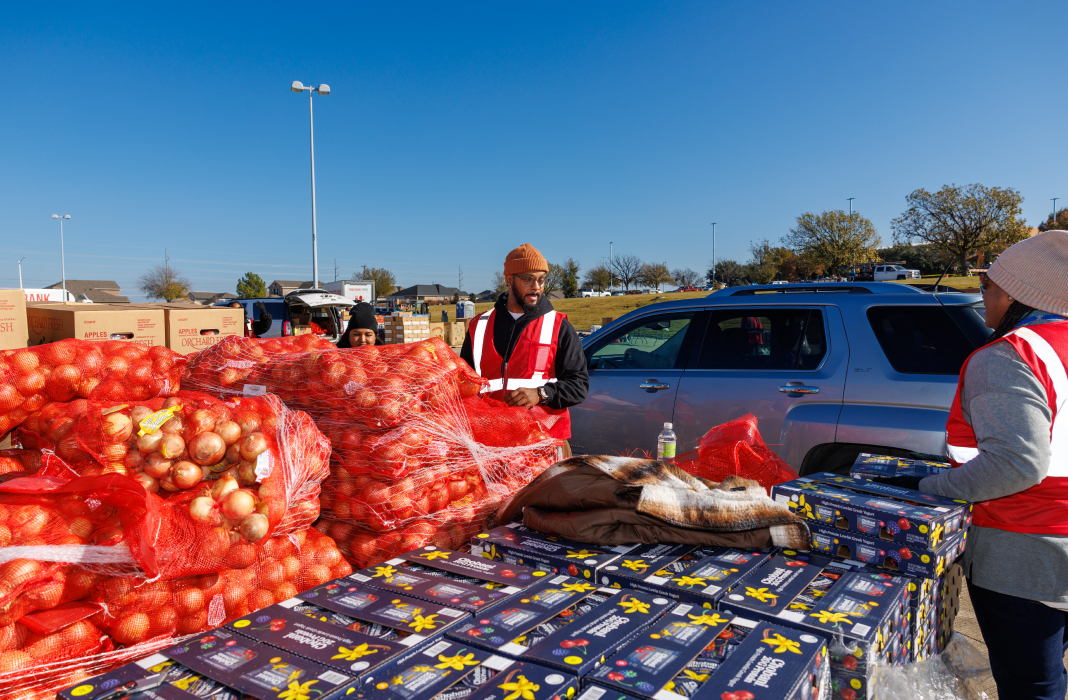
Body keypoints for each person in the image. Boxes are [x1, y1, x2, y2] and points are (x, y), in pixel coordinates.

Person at [880, 230, 1068, 700]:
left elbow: (1017, 462)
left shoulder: (1008, 356)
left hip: (1027, 555)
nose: (982, 296)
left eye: (987, 286)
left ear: (1014, 292)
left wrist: (931, 486)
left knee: (1034, 686)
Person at [460, 243, 589, 446]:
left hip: (541, 442)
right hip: (488, 443)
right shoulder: (479, 326)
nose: (536, 286)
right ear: (509, 280)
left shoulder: (559, 326)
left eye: (541, 280)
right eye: (528, 279)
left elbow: (579, 385)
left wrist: (541, 394)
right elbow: (462, 383)